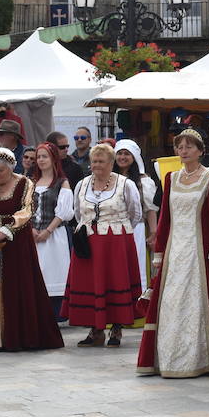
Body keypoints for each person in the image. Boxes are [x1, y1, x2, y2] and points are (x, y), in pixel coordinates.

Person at [137, 129, 209, 378]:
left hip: (197, 250)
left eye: (189, 147)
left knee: (195, 301)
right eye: (180, 147)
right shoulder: (171, 178)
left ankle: (197, 357)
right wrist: (159, 252)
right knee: (169, 301)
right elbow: (165, 218)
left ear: (200, 150)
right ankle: (166, 355)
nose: (184, 151)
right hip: (174, 250)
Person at [0, 148, 65, 352]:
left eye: (1, 170)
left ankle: (19, 336)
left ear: (10, 168)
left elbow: (26, 211)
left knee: (18, 285)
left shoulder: (24, 184)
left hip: (17, 243)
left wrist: (4, 232)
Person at [65, 143, 143, 347]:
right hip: (88, 242)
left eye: (101, 161)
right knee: (92, 284)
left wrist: (116, 228)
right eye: (94, 161)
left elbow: (135, 213)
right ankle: (95, 329)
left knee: (115, 281)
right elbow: (77, 211)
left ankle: (116, 329)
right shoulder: (82, 184)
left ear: (111, 163)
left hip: (116, 242)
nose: (97, 165)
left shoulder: (125, 184)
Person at [28, 143, 74, 319]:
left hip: (54, 235)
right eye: (38, 157)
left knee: (54, 269)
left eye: (44, 156)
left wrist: (48, 230)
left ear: (54, 158)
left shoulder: (61, 183)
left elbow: (64, 212)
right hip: (33, 236)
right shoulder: (31, 182)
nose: (40, 160)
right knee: (37, 270)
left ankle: (56, 312)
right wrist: (31, 228)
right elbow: (25, 209)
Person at [113, 140, 158, 291]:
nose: (122, 157)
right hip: (113, 231)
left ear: (134, 157)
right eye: (119, 153)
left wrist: (153, 233)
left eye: (126, 154)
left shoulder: (143, 180)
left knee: (136, 266)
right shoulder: (109, 179)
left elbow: (150, 209)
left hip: (136, 230)